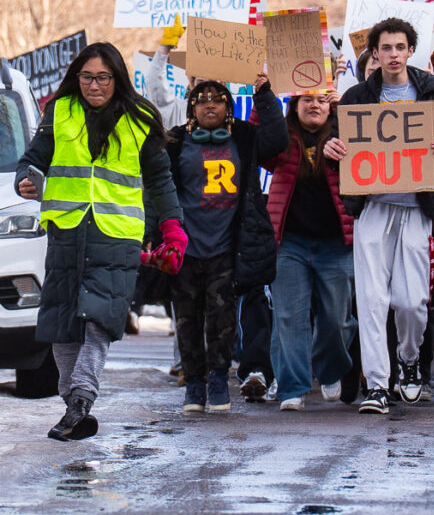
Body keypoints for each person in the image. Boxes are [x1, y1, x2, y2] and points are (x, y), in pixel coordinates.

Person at [16, 42, 186, 440]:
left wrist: (173, 228)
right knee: (62, 320)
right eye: (87, 77)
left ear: (117, 78)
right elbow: (34, 158)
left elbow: (161, 181)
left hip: (117, 234)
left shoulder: (141, 117)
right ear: (78, 76)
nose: (94, 85)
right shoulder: (59, 111)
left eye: (103, 77)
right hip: (67, 231)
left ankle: (82, 398)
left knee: (99, 318)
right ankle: (73, 404)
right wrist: (26, 176)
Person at [324, 17, 434, 415]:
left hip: (417, 209)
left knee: (411, 301)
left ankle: (408, 359)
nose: (392, 55)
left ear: (410, 50)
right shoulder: (355, 97)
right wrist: (331, 152)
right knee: (371, 300)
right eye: (384, 48)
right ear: (373, 53)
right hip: (371, 207)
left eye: (399, 47)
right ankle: (377, 385)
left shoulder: (432, 91)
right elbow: (335, 145)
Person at [166, 76, 287, 413]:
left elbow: (277, 139)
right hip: (185, 247)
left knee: (221, 320)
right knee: (187, 320)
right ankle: (193, 384)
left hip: (226, 245)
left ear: (229, 108)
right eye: (202, 99)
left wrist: (263, 92)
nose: (209, 104)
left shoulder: (245, 138)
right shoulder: (174, 141)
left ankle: (218, 379)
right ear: (192, 107)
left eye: (218, 99)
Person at [262, 92, 356, 412]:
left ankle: (328, 369)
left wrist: (343, 110)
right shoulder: (282, 137)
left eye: (321, 100)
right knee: (289, 317)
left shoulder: (345, 133)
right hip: (290, 243)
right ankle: (292, 387)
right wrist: (264, 93)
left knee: (337, 321)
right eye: (306, 99)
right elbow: (260, 146)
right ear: (293, 104)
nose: (314, 105)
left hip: (337, 244)